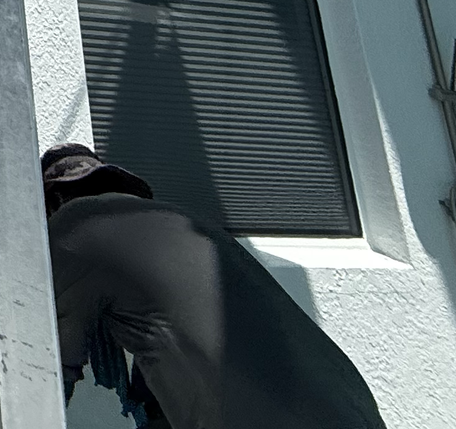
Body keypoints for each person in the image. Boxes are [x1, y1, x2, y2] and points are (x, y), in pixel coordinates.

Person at [42, 143, 388, 429]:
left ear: (54, 202)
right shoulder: (184, 232)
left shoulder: (78, 223)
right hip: (354, 408)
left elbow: (48, 373)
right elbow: (161, 396)